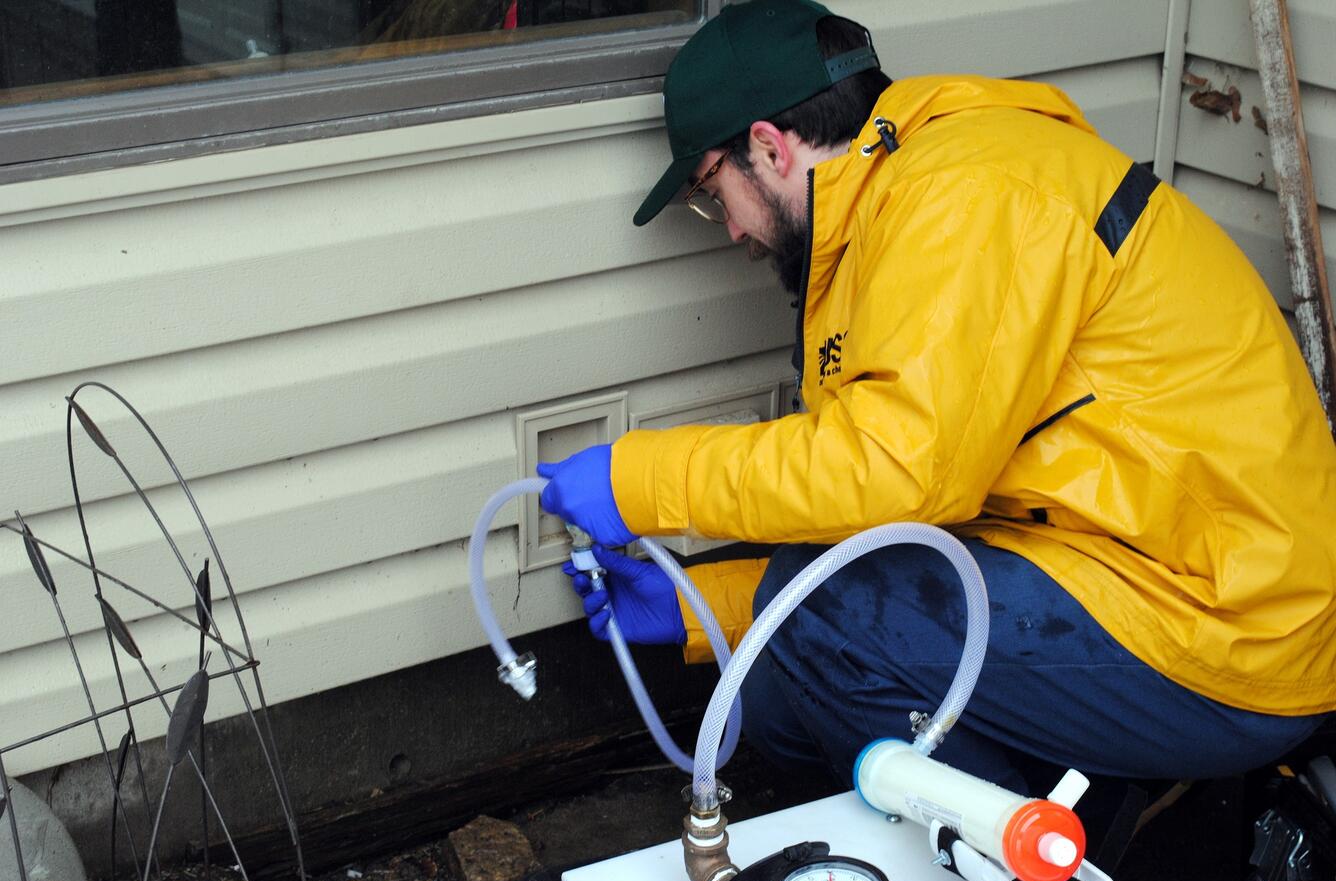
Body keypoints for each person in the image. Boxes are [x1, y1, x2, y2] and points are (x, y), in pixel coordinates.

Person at [536, 0, 1336, 802]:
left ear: (769, 148)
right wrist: (700, 608)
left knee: (820, 635)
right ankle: (1065, 802)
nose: (731, 232)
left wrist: (636, 482)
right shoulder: (894, 209)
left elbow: (895, 476)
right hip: (1116, 564)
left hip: (1234, 624)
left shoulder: (968, 193)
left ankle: (1037, 867)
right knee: (776, 691)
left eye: (712, 195)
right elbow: (888, 522)